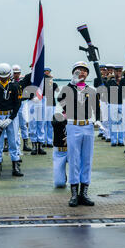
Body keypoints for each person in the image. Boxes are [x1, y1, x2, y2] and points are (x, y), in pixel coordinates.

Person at [57, 61, 101, 207]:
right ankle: (74, 194)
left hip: (87, 126)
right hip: (73, 125)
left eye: (84, 71)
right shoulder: (67, 89)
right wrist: (71, 85)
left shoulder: (92, 90)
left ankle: (84, 193)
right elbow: (61, 100)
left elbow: (97, 108)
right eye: (78, 70)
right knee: (74, 160)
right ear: (73, 73)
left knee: (87, 160)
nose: (82, 73)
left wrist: (99, 121)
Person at [0, 63, 23, 177]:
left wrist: (11, 118)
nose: (3, 78)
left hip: (11, 116)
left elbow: (18, 104)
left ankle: (15, 164)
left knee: (13, 141)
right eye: (1, 76)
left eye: (5, 76)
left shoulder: (14, 87)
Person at [12, 65, 32, 152]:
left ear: (20, 73)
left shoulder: (24, 80)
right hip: (12, 104)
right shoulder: (9, 81)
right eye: (14, 73)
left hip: (22, 103)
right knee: (12, 125)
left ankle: (25, 144)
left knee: (23, 124)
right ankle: (7, 144)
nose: (16, 74)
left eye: (17, 73)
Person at [106, 64, 125, 146]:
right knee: (113, 123)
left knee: (122, 123)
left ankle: (121, 140)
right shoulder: (110, 81)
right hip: (113, 103)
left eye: (119, 71)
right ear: (114, 72)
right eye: (117, 71)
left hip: (122, 104)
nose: (118, 73)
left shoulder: (124, 82)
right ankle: (114, 140)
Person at [52, 112, 68, 188]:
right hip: (59, 152)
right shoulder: (57, 115)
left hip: (72, 150)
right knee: (59, 183)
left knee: (77, 179)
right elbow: (54, 123)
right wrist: (67, 119)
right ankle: (62, 174)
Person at [43, 67, 59, 147]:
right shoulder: (42, 83)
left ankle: (49, 141)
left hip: (51, 103)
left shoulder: (54, 84)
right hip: (44, 103)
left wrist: (51, 81)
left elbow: (57, 90)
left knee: (50, 123)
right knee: (43, 123)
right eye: (46, 71)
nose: (47, 73)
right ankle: (43, 140)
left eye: (48, 71)